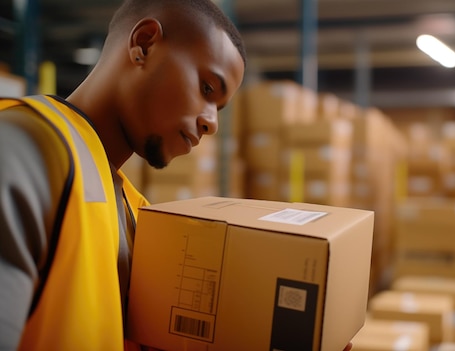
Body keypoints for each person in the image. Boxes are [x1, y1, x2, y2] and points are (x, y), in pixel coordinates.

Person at [0, 0, 353, 350]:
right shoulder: (21, 153)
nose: (211, 123)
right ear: (145, 43)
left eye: (219, 108)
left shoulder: (132, 211)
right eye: (207, 89)